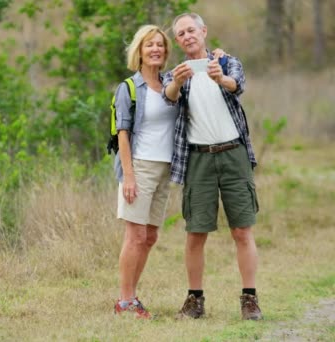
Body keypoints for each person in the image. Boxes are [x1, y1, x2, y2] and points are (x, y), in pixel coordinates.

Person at [162, 12, 263, 320]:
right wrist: (177, 83)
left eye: (191, 30)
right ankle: (195, 300)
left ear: (203, 31)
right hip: (199, 159)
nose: (187, 36)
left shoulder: (227, 62)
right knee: (196, 232)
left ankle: (250, 299)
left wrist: (221, 78)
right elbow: (169, 97)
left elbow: (238, 84)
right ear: (178, 41)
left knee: (242, 230)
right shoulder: (176, 73)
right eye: (181, 34)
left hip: (234, 154)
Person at [111, 24, 177, 319]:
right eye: (149, 45)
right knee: (136, 236)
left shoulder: (170, 84)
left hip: (165, 168)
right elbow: (121, 133)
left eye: (160, 45)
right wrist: (129, 175)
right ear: (139, 51)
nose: (155, 49)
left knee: (150, 237)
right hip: (139, 166)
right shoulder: (128, 88)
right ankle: (125, 302)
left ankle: (131, 295)